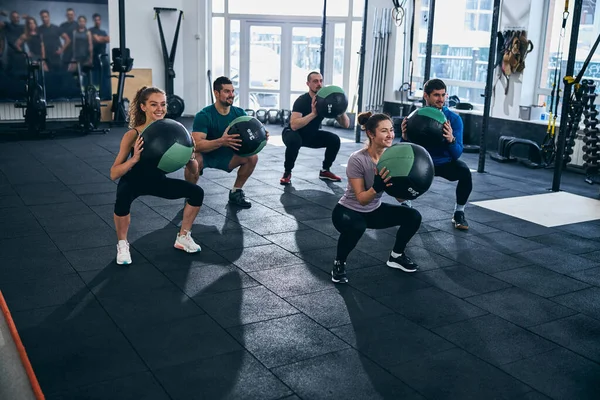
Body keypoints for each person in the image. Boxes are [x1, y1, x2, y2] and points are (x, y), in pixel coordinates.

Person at [110, 86, 204, 265]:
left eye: (163, 104)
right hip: (134, 180)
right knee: (122, 196)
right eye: (154, 104)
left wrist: (190, 154)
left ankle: (183, 237)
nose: (159, 109)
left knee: (196, 192)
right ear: (143, 107)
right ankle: (122, 245)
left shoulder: (176, 131)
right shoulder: (133, 135)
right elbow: (113, 173)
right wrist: (134, 159)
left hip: (158, 181)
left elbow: (193, 171)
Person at [331, 112, 422, 284]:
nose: (390, 135)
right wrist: (378, 185)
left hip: (374, 210)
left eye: (391, 130)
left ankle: (396, 256)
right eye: (384, 131)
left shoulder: (392, 158)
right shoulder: (357, 159)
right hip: (348, 211)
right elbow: (362, 199)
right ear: (371, 134)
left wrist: (413, 187)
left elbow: (401, 199)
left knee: (413, 216)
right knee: (358, 226)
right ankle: (339, 263)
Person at [185, 76, 267, 208]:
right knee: (192, 158)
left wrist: (261, 136)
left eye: (233, 91)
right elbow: (196, 145)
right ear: (216, 93)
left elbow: (253, 132)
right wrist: (221, 141)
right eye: (227, 91)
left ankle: (236, 192)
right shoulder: (204, 115)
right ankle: (189, 193)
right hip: (207, 155)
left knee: (252, 157)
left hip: (229, 156)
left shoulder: (240, 113)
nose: (232, 95)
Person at [401, 78, 472, 230]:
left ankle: (459, 212)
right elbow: (404, 149)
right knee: (393, 170)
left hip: (442, 163)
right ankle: (405, 205)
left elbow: (457, 154)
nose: (441, 99)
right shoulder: (414, 116)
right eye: (436, 95)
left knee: (465, 172)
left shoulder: (453, 119)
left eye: (443, 95)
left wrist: (451, 140)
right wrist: (405, 136)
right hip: (419, 164)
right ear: (426, 96)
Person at [280, 71, 349, 185]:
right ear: (308, 84)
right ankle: (287, 172)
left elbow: (346, 124)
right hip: (292, 133)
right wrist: (313, 113)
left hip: (311, 135)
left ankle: (325, 170)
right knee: (294, 140)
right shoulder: (301, 100)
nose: (319, 84)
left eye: (321, 81)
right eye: (315, 81)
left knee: (334, 140)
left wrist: (340, 109)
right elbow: (294, 125)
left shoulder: (325, 101)